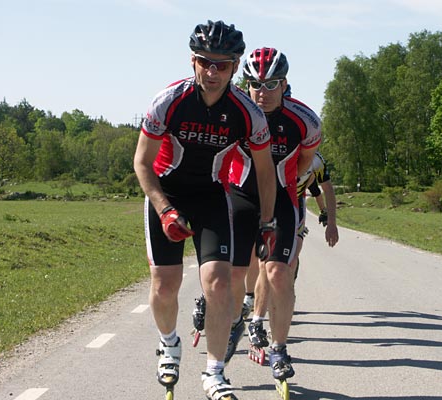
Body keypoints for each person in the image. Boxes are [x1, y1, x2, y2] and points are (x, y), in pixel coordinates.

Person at [133, 20, 277, 400]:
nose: (212, 73)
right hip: (167, 193)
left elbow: (265, 174)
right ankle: (168, 343)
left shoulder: (248, 113)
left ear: (235, 65)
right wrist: (164, 210)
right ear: (193, 61)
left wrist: (267, 221)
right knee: (165, 285)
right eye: (204, 62)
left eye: (223, 65)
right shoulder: (169, 101)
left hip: (212, 196)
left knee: (218, 282)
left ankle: (214, 372)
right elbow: (142, 164)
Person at [229, 47, 321, 380]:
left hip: (282, 197)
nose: (262, 93)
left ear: (285, 85)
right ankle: (236, 320)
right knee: (234, 272)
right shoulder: (235, 111)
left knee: (279, 274)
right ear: (246, 84)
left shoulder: (305, 121)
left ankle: (279, 348)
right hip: (240, 195)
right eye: (255, 84)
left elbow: (304, 164)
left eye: (272, 85)